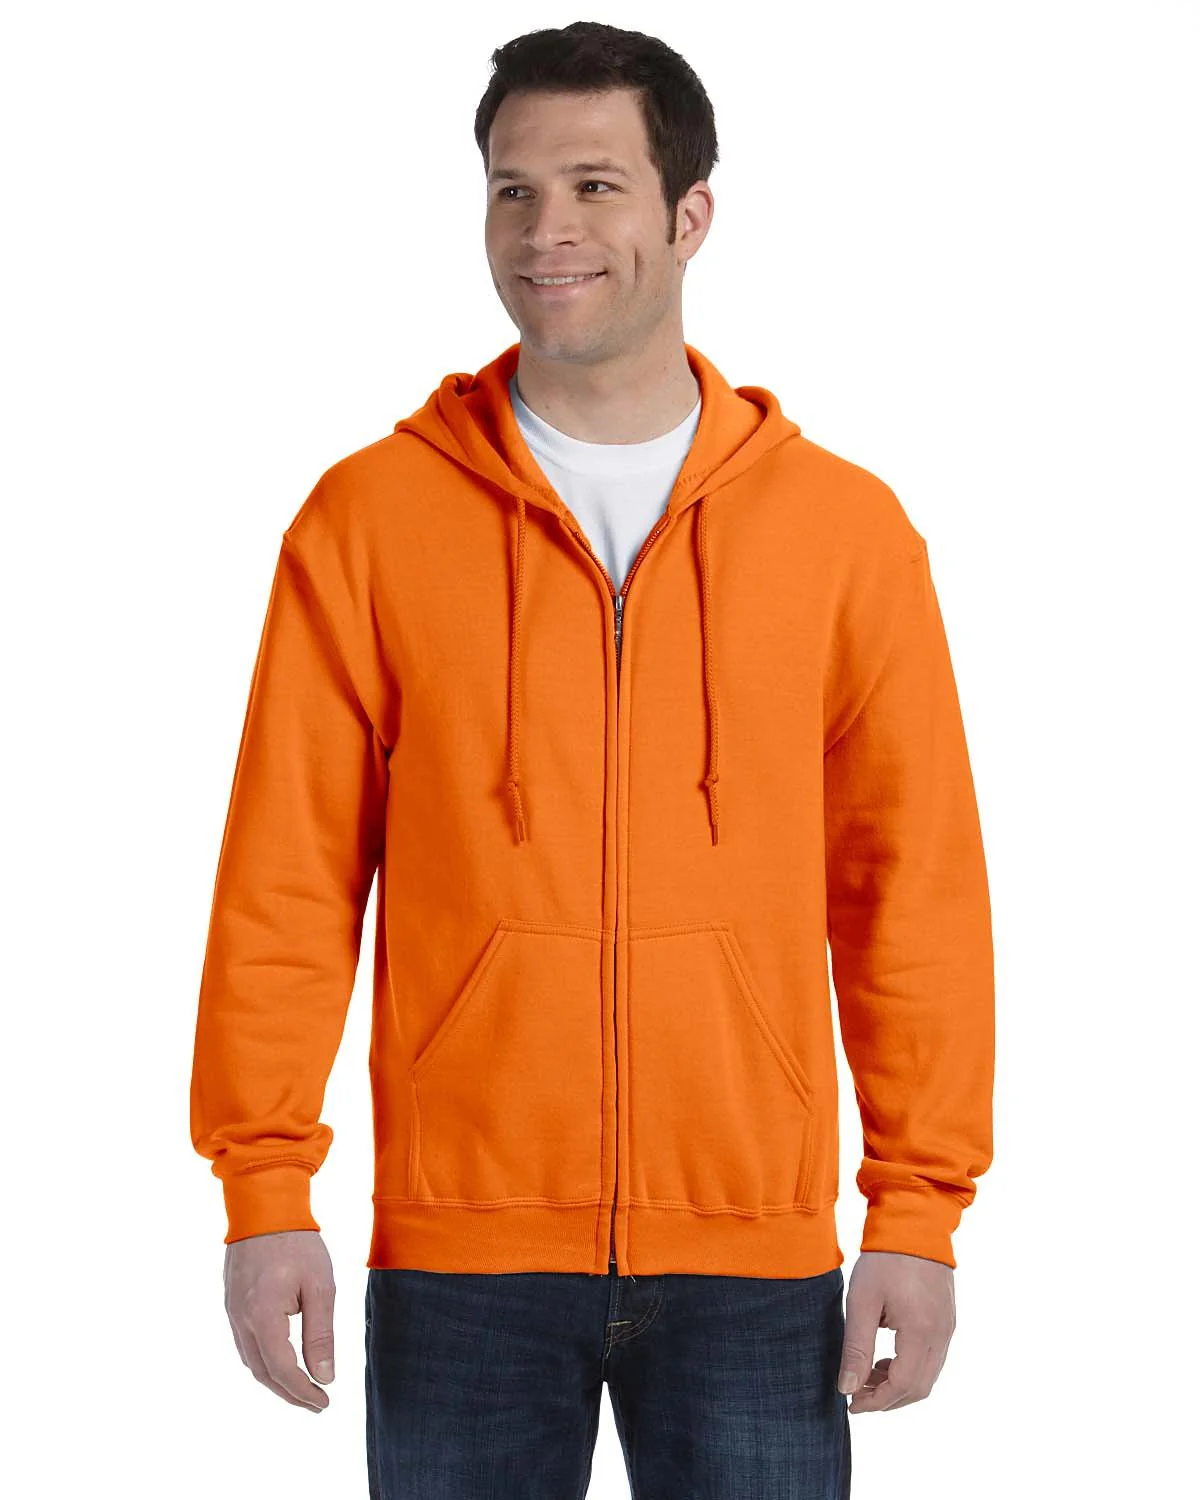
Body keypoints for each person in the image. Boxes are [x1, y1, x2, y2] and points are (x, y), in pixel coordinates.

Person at [189, 20, 994, 1499]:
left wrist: (918, 1211)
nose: (545, 230)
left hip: (756, 1256)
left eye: (594, 186)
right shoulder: (368, 520)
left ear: (691, 215)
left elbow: (912, 895)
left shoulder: (844, 534)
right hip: (462, 1256)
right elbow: (286, 881)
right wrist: (265, 1189)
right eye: (513, 190)